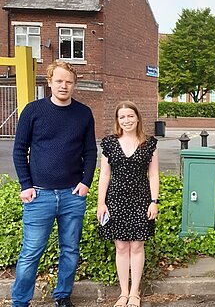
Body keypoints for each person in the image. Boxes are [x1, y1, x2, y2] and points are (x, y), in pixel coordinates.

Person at [12, 61, 97, 307]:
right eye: (59, 81)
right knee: (31, 252)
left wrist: (85, 182)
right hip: (39, 195)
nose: (64, 86)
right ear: (49, 82)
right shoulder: (33, 110)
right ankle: (20, 302)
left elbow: (90, 151)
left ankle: (62, 296)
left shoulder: (83, 113)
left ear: (74, 85)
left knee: (70, 250)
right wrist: (25, 185)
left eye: (68, 82)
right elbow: (19, 150)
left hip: (73, 195)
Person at [96, 101, 159, 307]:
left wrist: (154, 201)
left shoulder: (149, 143)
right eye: (122, 117)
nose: (126, 120)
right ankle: (123, 292)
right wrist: (101, 203)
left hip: (141, 200)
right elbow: (104, 175)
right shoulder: (109, 143)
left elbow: (153, 175)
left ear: (138, 118)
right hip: (115, 200)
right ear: (117, 120)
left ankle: (135, 293)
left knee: (137, 246)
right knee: (121, 247)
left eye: (130, 116)